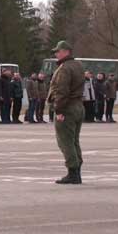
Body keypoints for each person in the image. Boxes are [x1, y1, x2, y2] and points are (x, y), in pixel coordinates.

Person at [49, 41, 85, 185]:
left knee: (65, 141)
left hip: (67, 107)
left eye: (58, 51)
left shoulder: (64, 69)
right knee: (74, 140)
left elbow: (62, 91)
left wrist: (59, 110)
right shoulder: (78, 65)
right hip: (77, 106)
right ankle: (77, 171)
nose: (56, 54)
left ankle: (73, 172)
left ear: (66, 51)